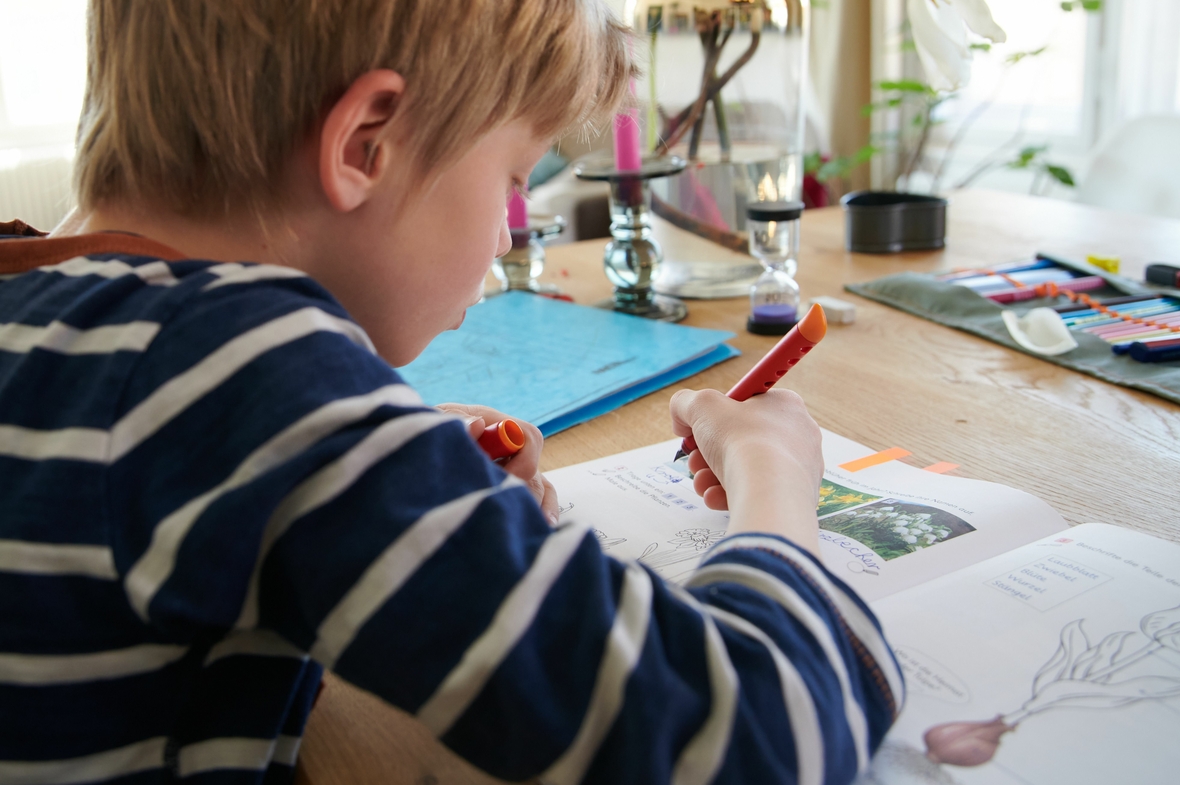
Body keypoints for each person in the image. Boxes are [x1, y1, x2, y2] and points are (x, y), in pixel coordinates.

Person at [0, 1, 901, 782]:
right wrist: (774, 475)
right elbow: (750, 736)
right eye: (513, 179)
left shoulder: (48, 312)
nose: (508, 234)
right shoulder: (258, 383)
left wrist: (380, 452)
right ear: (366, 143)